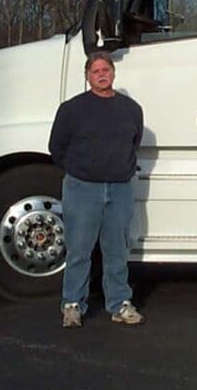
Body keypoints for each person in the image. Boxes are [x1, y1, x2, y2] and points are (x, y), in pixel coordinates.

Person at [49, 51, 145, 327]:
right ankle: (72, 305)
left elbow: (133, 141)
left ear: (113, 73)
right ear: (87, 76)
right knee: (79, 250)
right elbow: (57, 147)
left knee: (117, 250)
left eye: (106, 69)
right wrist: (80, 172)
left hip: (119, 189)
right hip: (82, 189)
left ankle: (119, 304)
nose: (101, 74)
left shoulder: (131, 109)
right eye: (95, 71)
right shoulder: (72, 109)